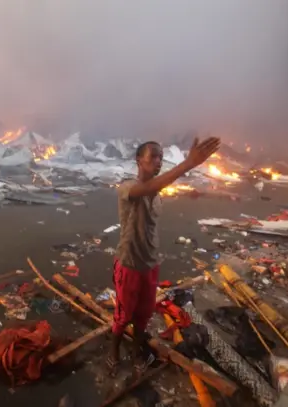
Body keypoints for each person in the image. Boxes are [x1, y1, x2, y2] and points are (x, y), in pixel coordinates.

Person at [107, 137, 220, 375]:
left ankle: (137, 351)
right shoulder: (128, 187)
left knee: (143, 316)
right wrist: (188, 163)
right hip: (129, 264)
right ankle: (113, 352)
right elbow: (146, 188)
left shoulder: (157, 195)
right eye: (153, 157)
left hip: (150, 265)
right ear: (139, 160)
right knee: (122, 316)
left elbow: (154, 194)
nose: (158, 161)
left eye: (160, 157)